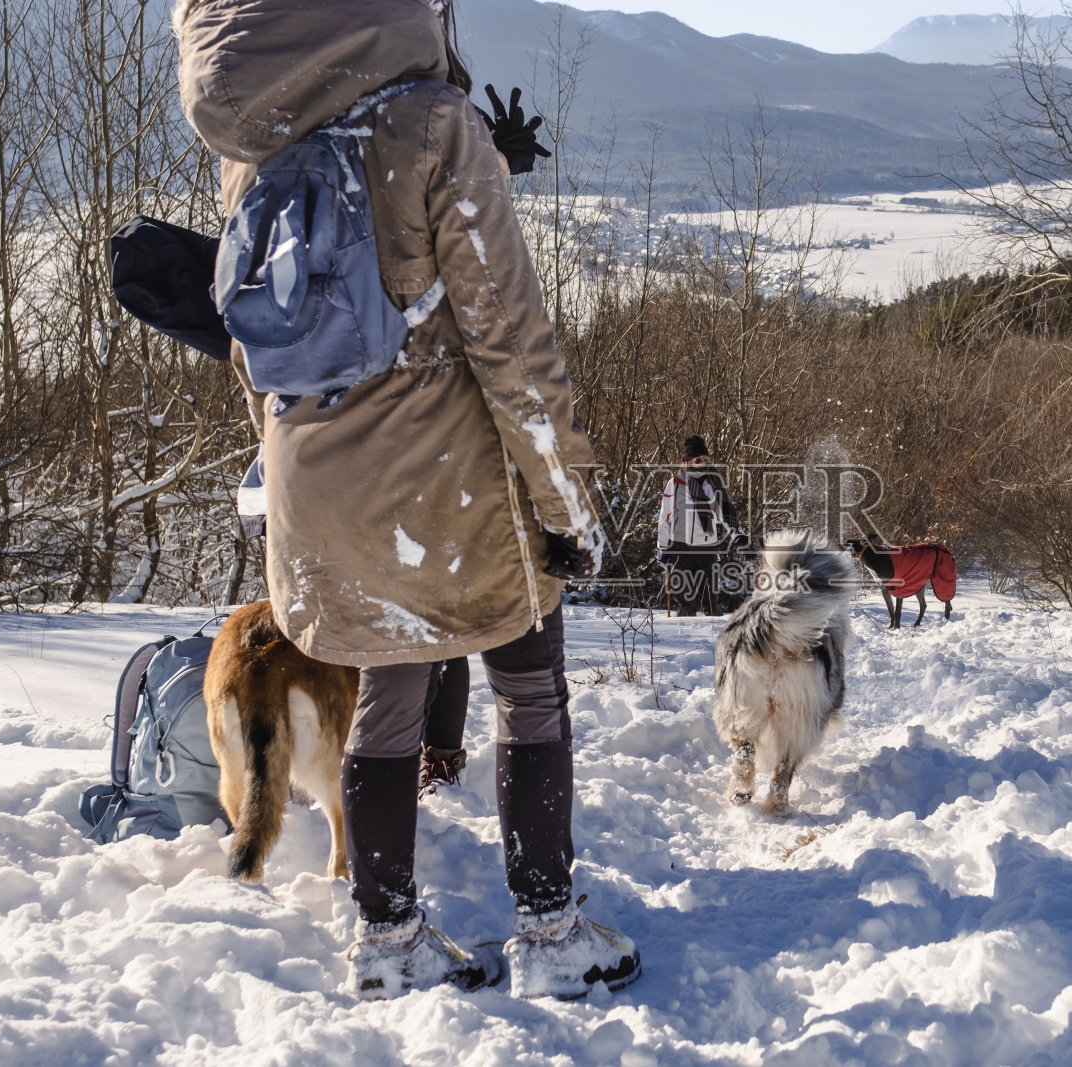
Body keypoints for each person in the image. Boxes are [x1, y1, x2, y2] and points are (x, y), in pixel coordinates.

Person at [174, 0, 639, 1000]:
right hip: (454, 489)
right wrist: (566, 506)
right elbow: (511, 344)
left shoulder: (256, 153)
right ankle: (551, 927)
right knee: (530, 686)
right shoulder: (434, 125)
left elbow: (261, 352)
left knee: (388, 707)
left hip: (325, 499)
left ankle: (387, 939)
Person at [657, 435, 743, 616]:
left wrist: (738, 535)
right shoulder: (675, 484)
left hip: (707, 550)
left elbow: (725, 514)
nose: (703, 462)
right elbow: (665, 517)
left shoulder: (712, 483)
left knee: (711, 601)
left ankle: (714, 642)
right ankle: (683, 641)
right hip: (680, 549)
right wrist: (662, 548)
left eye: (705, 458)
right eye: (698, 459)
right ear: (687, 461)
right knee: (687, 602)